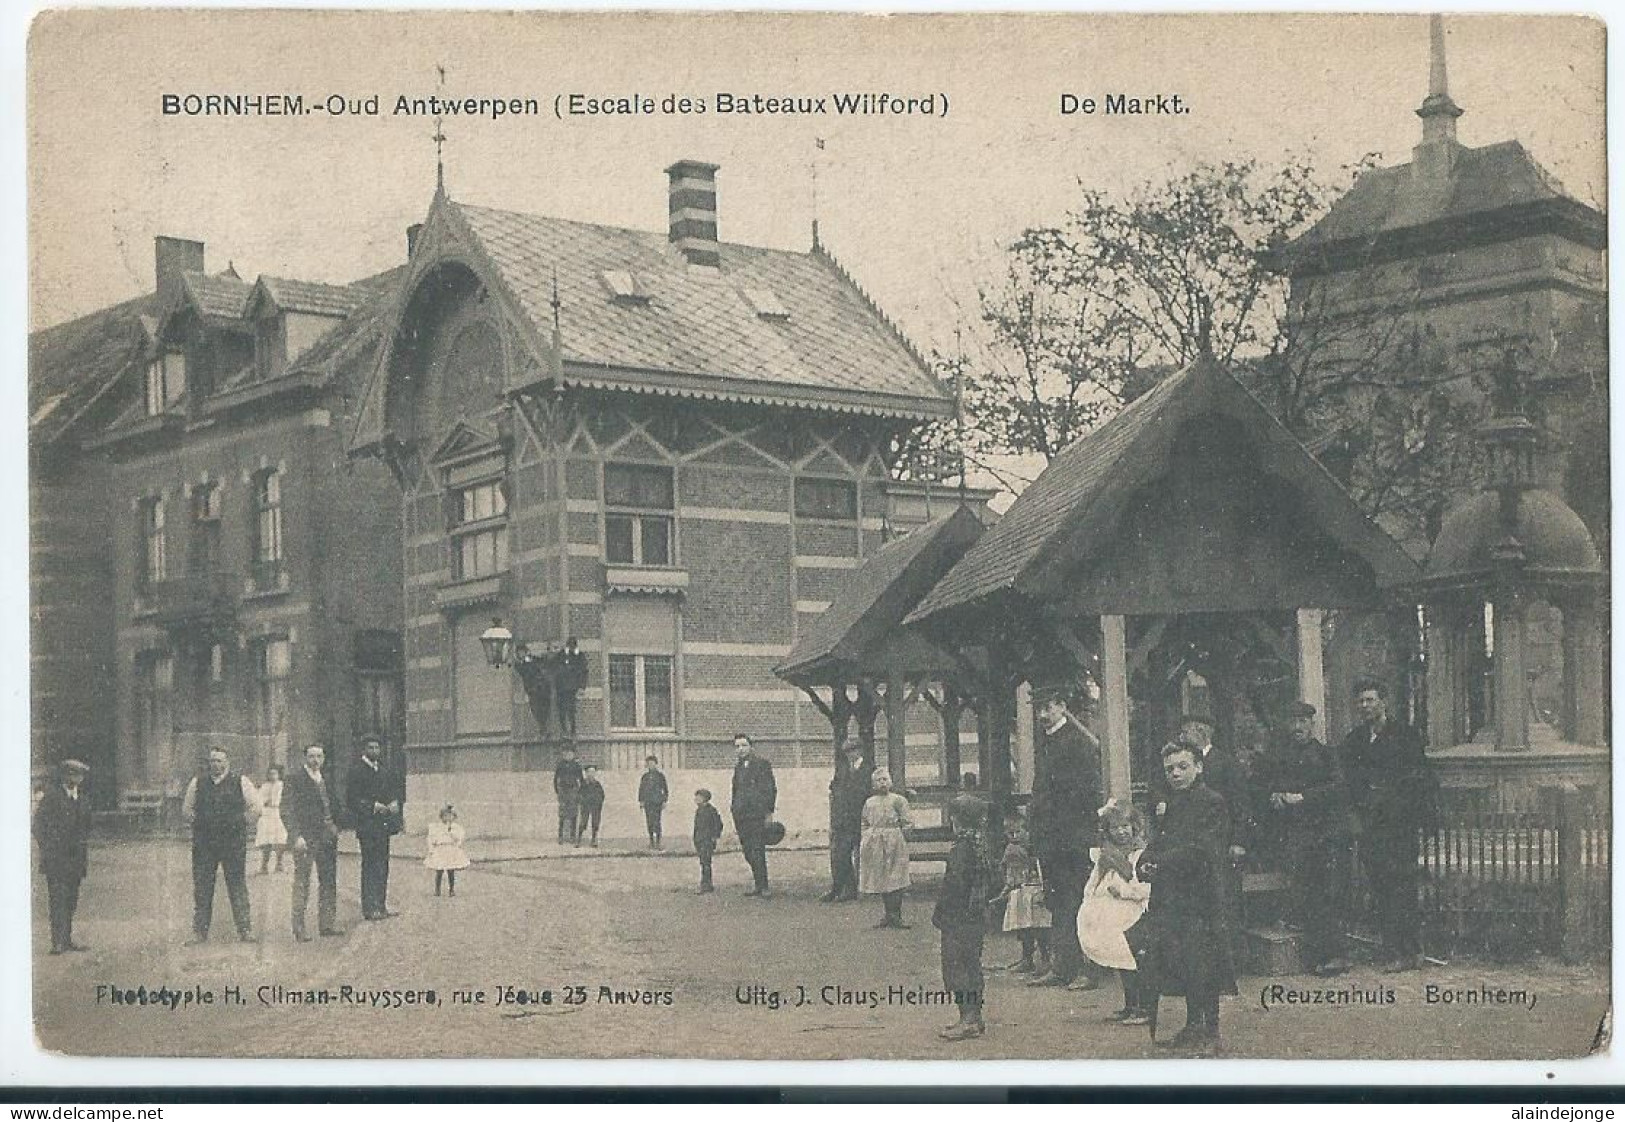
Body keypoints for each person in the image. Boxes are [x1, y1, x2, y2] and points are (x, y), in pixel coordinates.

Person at [1133, 741, 1235, 1055]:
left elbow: (1202, 850)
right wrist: (1144, 861)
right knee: (1183, 960)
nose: (1175, 774)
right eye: (1169, 770)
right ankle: (1193, 1025)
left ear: (1199, 767)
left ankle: (1211, 1030)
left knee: (1204, 959)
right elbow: (1160, 842)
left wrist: (1160, 864)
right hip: (1173, 895)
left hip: (1200, 895)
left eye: (1182, 767)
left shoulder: (1211, 802)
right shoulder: (1174, 803)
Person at [1339, 679, 1438, 973]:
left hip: (1398, 826)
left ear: (1383, 702)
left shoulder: (1405, 736)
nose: (1365, 706)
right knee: (1380, 888)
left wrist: (1396, 805)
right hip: (1370, 826)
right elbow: (1348, 780)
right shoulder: (1355, 739)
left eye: (1371, 700)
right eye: (1361, 701)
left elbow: (1419, 779)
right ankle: (1392, 948)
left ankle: (1409, 951)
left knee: (1401, 888)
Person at [1253, 700, 1353, 976]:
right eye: (1293, 722)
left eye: (1303, 722)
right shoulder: (1281, 756)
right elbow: (1269, 783)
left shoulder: (1327, 755)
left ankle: (1335, 955)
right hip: (1295, 834)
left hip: (1324, 834)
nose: (1297, 727)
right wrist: (1274, 795)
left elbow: (1338, 789)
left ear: (1312, 724)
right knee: (1305, 893)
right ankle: (1315, 956)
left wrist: (1303, 797)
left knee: (1324, 894)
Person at [1027, 685, 1102, 990]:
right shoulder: (1048, 741)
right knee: (1058, 902)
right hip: (1052, 837)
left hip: (1072, 836)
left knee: (1080, 901)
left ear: (1061, 706)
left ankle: (1088, 968)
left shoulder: (1077, 742)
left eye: (1048, 707)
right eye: (1039, 709)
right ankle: (1063, 965)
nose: (1042, 715)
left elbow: (1086, 791)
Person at [1079, 799, 1152, 1025]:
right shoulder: (1105, 855)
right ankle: (1130, 1004)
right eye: (1114, 828)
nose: (1120, 832)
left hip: (1132, 912)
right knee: (1121, 959)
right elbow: (1094, 880)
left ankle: (1144, 1007)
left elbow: (1148, 887)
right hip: (1110, 913)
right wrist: (1089, 900)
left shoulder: (1140, 855)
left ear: (1134, 826)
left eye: (1125, 826)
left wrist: (1125, 892)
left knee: (1135, 958)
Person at [181, 747, 261, 945]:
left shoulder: (241, 781)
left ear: (228, 762)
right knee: (202, 887)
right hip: (205, 844)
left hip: (232, 843)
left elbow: (256, 807)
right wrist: (200, 824)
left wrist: (240, 823)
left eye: (219, 760)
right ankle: (199, 932)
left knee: (237, 886)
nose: (215, 764)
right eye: (212, 761)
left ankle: (245, 930)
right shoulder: (197, 782)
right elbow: (186, 809)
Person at [933, 793, 992, 1041]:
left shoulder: (960, 851)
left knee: (956, 968)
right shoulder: (980, 847)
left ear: (956, 820)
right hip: (975, 918)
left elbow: (954, 886)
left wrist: (940, 914)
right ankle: (975, 1017)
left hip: (958, 918)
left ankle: (966, 1017)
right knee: (972, 965)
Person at [281, 743, 342, 941]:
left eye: (319, 757)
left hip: (327, 838)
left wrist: (336, 827)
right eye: (311, 756)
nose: (315, 761)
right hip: (305, 840)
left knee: (328, 882)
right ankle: (299, 928)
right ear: (305, 758)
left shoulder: (326, 779)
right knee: (302, 882)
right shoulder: (294, 780)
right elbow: (287, 810)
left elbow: (335, 806)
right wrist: (295, 836)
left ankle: (327, 924)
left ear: (323, 759)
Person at [32, 758, 93, 954]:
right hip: (56, 859)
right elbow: (37, 826)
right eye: (74, 774)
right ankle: (57, 942)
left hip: (75, 859)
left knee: (71, 899)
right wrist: (48, 848)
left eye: (80, 775)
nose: (78, 778)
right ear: (66, 776)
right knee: (58, 899)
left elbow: (85, 826)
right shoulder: (52, 797)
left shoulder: (82, 798)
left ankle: (67, 939)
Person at [348, 737, 402, 922]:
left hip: (383, 825)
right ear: (364, 749)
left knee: (383, 865)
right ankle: (369, 908)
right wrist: (372, 805)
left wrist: (394, 802)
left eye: (377, 747)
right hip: (367, 825)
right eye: (370, 747)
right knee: (370, 865)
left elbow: (392, 791)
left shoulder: (383, 770)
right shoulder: (356, 772)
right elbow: (352, 799)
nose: (374, 750)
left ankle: (381, 904)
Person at [858, 768, 912, 929]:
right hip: (876, 842)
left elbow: (907, 821)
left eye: (885, 779)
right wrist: (867, 836)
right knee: (882, 877)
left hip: (894, 840)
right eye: (878, 780)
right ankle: (888, 914)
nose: (882, 783)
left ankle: (897, 914)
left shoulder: (898, 800)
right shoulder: (870, 802)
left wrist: (900, 836)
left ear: (890, 781)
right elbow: (864, 821)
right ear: (874, 784)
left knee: (896, 876)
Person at [998, 813, 1051, 975]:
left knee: (1039, 926)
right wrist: (1007, 888)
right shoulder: (1010, 850)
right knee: (1022, 926)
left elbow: (1042, 871)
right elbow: (1009, 872)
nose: (1014, 837)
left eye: (1018, 832)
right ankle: (1026, 958)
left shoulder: (1036, 850)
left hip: (1035, 890)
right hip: (1019, 891)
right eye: (1010, 834)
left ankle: (1045, 959)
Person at [729, 734, 777, 897]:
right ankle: (758, 884)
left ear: (751, 747)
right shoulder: (738, 767)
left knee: (757, 849)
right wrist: (734, 809)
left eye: (744, 745)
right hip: (741, 816)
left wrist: (768, 812)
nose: (740, 749)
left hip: (756, 814)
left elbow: (770, 789)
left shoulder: (762, 764)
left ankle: (763, 886)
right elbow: (736, 791)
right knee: (747, 850)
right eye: (737, 746)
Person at [822, 741, 869, 903]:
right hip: (844, 819)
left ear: (860, 751)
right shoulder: (842, 770)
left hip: (860, 818)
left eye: (853, 751)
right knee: (841, 854)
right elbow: (834, 788)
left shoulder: (869, 769)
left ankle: (856, 888)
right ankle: (843, 888)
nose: (850, 754)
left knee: (858, 853)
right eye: (847, 752)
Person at [425, 804, 470, 897]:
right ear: (441, 817)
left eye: (450, 816)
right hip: (440, 849)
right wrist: (431, 849)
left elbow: (459, 838)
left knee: (451, 870)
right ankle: (437, 889)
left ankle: (451, 889)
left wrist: (451, 832)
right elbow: (431, 838)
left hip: (450, 849)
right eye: (445, 816)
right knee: (439, 870)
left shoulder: (456, 828)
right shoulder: (436, 827)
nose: (448, 818)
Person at [255, 764, 288, 874]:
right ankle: (264, 866)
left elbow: (285, 799)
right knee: (266, 840)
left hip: (278, 813)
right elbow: (258, 799)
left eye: (274, 773)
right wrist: (264, 802)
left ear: (279, 775)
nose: (272, 776)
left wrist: (277, 803)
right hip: (267, 813)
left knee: (280, 839)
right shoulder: (265, 786)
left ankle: (279, 864)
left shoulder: (282, 786)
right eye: (270, 773)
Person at [556, 637, 588, 739]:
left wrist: (581, 687)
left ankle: (572, 731)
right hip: (562, 688)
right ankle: (564, 730)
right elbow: (554, 666)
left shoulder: (579, 656)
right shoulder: (561, 655)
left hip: (571, 688)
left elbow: (584, 672)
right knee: (562, 709)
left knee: (570, 709)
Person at [693, 789, 723, 894]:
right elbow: (696, 827)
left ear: (705, 798)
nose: (696, 799)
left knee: (706, 863)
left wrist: (714, 836)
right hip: (700, 840)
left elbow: (718, 824)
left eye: (698, 797)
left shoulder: (711, 810)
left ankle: (706, 884)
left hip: (707, 840)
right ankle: (707, 884)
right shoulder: (699, 810)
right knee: (703, 862)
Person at [553, 745, 584, 844]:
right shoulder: (560, 765)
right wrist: (558, 792)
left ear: (573, 754)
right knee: (562, 815)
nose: (567, 755)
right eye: (565, 753)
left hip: (573, 791)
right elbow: (555, 779)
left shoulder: (576, 766)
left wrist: (579, 793)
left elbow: (581, 780)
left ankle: (572, 836)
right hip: (563, 792)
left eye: (570, 753)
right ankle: (561, 836)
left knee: (573, 814)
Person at [637, 756, 669, 848]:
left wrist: (664, 801)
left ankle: (658, 842)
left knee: (657, 822)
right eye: (649, 764)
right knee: (649, 822)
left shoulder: (660, 776)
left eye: (652, 763)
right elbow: (641, 789)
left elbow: (665, 789)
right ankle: (651, 841)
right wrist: (641, 801)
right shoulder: (645, 777)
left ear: (656, 764)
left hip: (657, 802)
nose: (650, 765)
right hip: (648, 802)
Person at [577, 765, 605, 847]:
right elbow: (579, 794)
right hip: (585, 806)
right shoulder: (583, 784)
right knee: (583, 822)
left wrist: (599, 802)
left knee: (595, 823)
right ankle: (578, 840)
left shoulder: (597, 784)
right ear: (586, 773)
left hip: (595, 806)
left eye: (593, 772)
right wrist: (582, 801)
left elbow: (602, 795)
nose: (591, 774)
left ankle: (593, 840)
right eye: (589, 772)